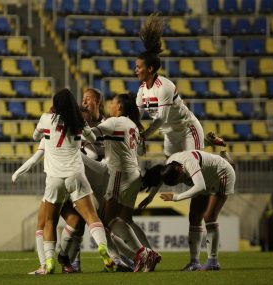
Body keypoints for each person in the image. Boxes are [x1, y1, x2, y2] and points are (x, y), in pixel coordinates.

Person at [32, 88, 115, 274]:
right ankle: (103, 248)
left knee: (49, 222)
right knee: (92, 218)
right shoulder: (79, 122)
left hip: (54, 178)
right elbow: (93, 138)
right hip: (76, 175)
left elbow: (35, 137)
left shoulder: (46, 118)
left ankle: (50, 262)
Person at [134, 14, 225, 158]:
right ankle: (206, 141)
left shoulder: (164, 87)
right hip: (170, 135)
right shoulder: (141, 91)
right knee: (173, 173)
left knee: (190, 170)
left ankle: (212, 150)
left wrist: (144, 135)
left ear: (150, 69)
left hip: (187, 129)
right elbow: (135, 116)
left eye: (139, 67)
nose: (136, 70)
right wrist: (135, 131)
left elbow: (161, 119)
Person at [92, 93, 160, 272]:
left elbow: (90, 136)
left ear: (120, 107)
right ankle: (146, 253)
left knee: (105, 222)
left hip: (120, 175)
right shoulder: (133, 126)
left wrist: (77, 127)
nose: (110, 104)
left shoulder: (114, 122)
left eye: (112, 102)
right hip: (134, 176)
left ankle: (141, 254)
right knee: (125, 219)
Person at [140, 150, 236, 271]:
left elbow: (200, 186)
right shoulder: (170, 164)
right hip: (205, 179)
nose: (183, 180)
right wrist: (150, 197)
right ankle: (194, 262)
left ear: (180, 168)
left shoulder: (189, 162)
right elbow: (160, 178)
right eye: (179, 181)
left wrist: (175, 197)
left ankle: (213, 261)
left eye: (181, 178)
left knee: (209, 217)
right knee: (194, 218)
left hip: (222, 174)